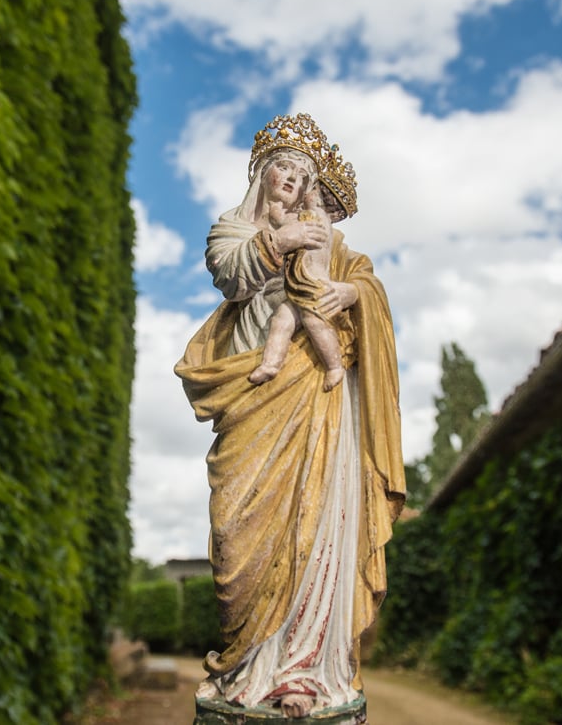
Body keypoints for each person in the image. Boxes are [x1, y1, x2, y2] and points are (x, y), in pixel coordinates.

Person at [176, 113, 405, 718]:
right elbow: (230, 274)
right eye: (285, 167)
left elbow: (366, 284)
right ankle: (249, 661)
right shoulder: (233, 229)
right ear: (262, 172)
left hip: (318, 399)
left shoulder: (329, 237)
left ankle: (306, 667)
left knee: (318, 515)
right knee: (235, 529)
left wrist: (351, 294)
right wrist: (283, 241)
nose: (293, 180)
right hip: (253, 393)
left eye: (305, 175)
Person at [248, 181, 344, 391]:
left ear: (318, 198)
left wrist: (276, 213)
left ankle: (335, 366)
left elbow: (285, 222)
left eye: (311, 191)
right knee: (282, 319)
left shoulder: (313, 217)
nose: (304, 194)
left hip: (312, 284)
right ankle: (271, 364)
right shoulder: (320, 218)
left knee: (314, 323)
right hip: (299, 285)